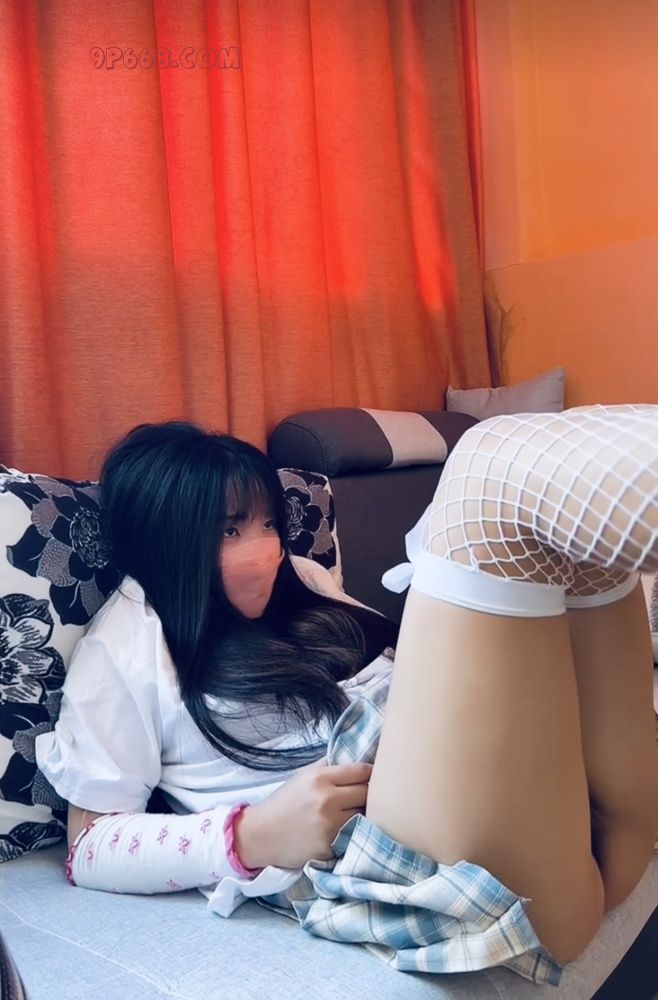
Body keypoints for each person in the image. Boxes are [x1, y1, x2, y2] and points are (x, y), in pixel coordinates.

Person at [35, 407, 658, 985]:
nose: (268, 548)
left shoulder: (303, 579)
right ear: (166, 541)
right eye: (229, 529)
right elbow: (88, 847)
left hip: (553, 801)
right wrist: (247, 836)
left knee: (579, 555)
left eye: (269, 522)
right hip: (388, 846)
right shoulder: (127, 645)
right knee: (488, 464)